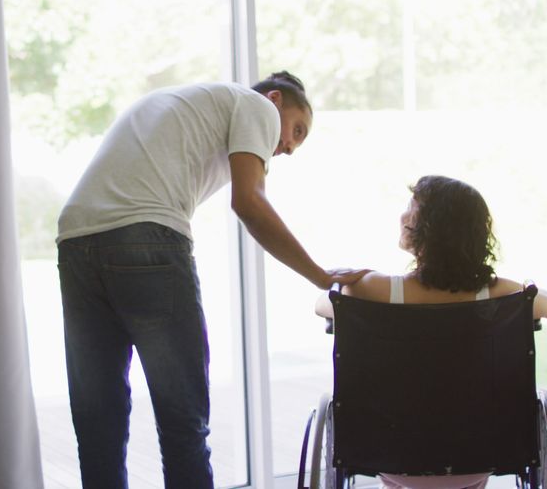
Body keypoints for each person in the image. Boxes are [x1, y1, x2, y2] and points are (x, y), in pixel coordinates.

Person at [56, 71, 368, 489]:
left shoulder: (188, 101)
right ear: (275, 100)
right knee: (183, 419)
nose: (290, 146)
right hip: (144, 237)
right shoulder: (255, 105)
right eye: (296, 129)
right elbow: (249, 201)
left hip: (76, 239)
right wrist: (320, 275)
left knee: (98, 421)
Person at [316, 174, 547, 489]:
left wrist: (361, 278)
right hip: (481, 455)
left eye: (411, 208)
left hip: (393, 456)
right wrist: (524, 286)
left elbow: (323, 304)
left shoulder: (377, 289)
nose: (403, 216)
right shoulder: (499, 292)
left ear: (429, 228)